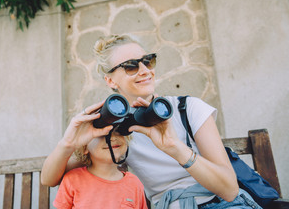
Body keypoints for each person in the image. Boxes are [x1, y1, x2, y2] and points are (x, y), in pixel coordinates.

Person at [41, 35, 262, 209]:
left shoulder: (188, 108)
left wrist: (175, 148)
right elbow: (51, 179)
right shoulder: (116, 129)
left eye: (148, 61)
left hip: (222, 204)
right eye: (131, 66)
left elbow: (229, 189)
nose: (145, 70)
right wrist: (68, 142)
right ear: (110, 80)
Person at [53, 130, 148, 209]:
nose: (113, 137)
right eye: (102, 134)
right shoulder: (72, 179)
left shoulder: (134, 183)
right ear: (85, 147)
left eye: (119, 131)